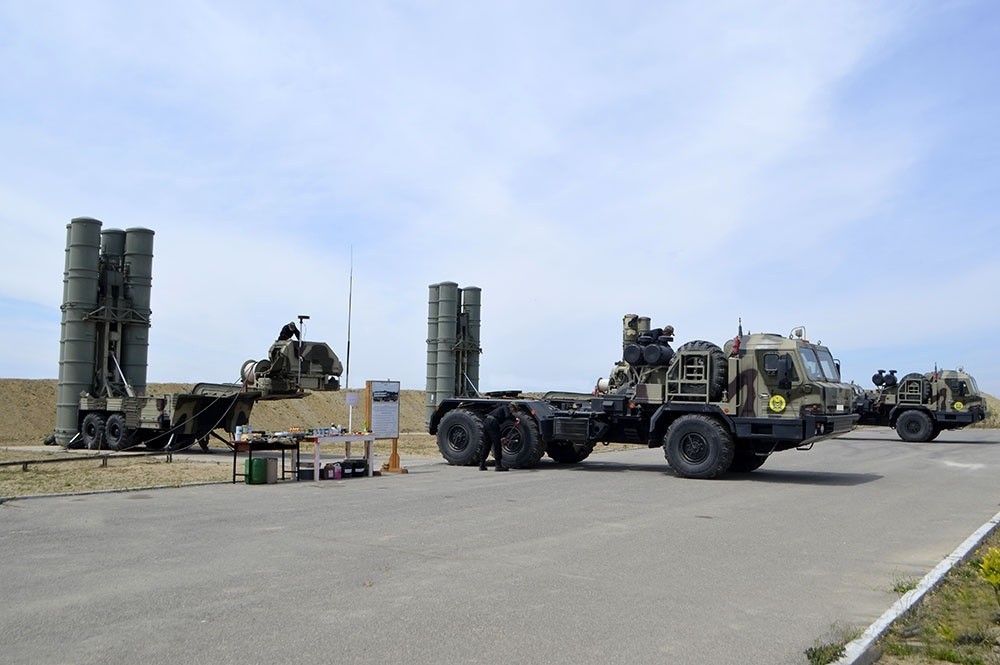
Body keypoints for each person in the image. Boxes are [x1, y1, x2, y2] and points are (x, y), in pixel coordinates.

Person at [479, 402, 518, 472]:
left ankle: (482, 464)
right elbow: (508, 416)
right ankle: (498, 465)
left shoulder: (500, 409)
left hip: (487, 422)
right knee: (497, 444)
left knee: (487, 444)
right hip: (493, 423)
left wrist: (501, 436)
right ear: (512, 407)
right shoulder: (505, 407)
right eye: (514, 410)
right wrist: (515, 420)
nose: (513, 411)